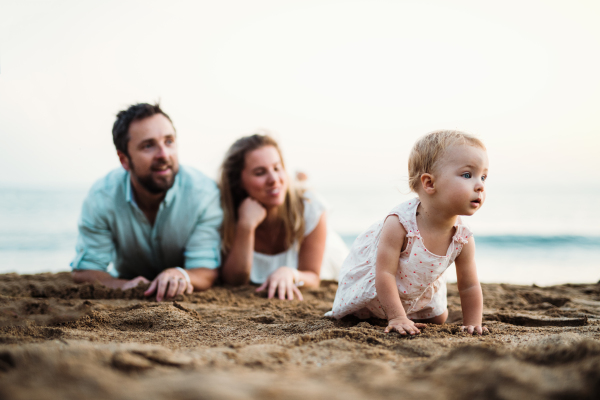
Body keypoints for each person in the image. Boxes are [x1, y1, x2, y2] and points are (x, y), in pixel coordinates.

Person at [326, 130, 489, 336]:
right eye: (467, 175)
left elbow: (469, 285)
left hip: (417, 287)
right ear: (429, 183)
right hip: (381, 288)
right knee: (357, 314)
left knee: (439, 318)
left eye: (483, 176)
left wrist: (473, 322)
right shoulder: (400, 224)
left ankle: (409, 310)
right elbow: (384, 273)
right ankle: (394, 312)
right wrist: (397, 317)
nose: (480, 185)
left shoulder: (462, 237)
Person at [71, 103, 222, 301]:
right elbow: (85, 270)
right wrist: (123, 285)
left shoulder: (203, 193)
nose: (164, 155)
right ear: (124, 159)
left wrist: (182, 275)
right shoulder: (102, 197)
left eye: (169, 141)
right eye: (148, 145)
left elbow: (205, 269)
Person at [218, 133, 345, 301]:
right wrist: (246, 226)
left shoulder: (310, 206)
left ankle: (303, 181)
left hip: (326, 265)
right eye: (260, 172)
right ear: (238, 181)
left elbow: (313, 276)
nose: (274, 179)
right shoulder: (225, 214)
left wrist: (289, 273)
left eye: (277, 168)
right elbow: (235, 280)